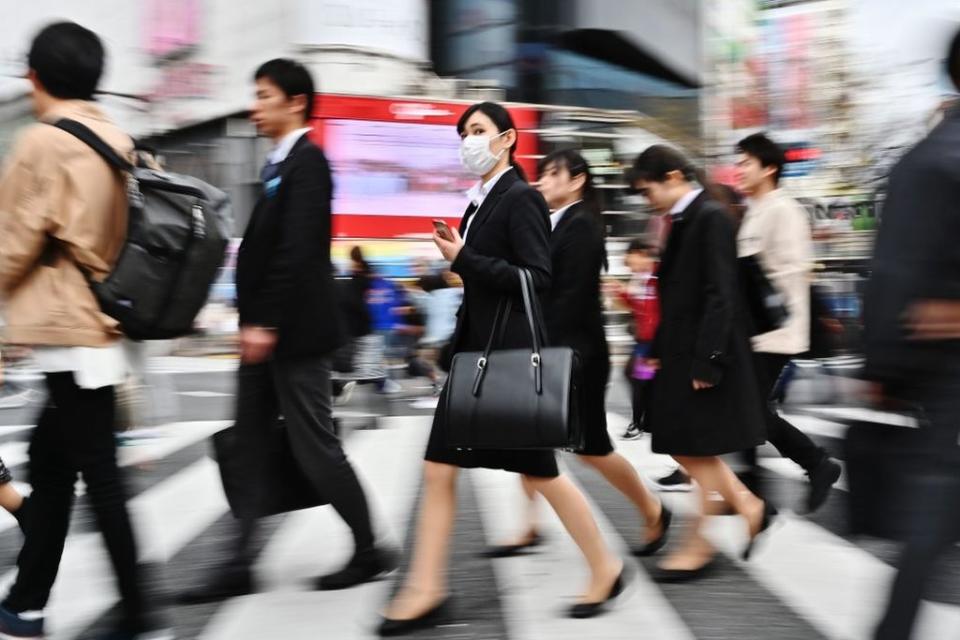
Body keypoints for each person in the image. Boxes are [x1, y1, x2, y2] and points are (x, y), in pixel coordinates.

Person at [378, 103, 630, 636]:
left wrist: (465, 260)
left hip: (509, 360)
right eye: (462, 133)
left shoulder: (521, 199)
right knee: (441, 469)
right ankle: (426, 586)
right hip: (478, 357)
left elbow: (536, 278)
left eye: (477, 131)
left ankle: (605, 567)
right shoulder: (477, 206)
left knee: (541, 472)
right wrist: (456, 274)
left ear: (507, 138)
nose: (467, 141)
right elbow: (482, 281)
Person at [181, 58, 395, 604]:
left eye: (264, 95)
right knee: (248, 445)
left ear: (295, 102)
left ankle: (369, 548)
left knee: (314, 447)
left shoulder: (309, 164)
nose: (254, 106)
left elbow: (299, 253)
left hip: (293, 337)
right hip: (264, 334)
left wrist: (267, 321)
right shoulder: (279, 165)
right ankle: (238, 565)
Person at [0, 22, 166, 640]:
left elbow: (12, 245)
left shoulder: (42, 144)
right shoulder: (116, 139)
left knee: (97, 476)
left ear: (36, 75)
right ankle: (27, 601)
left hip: (71, 330)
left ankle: (140, 615)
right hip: (100, 324)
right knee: (51, 462)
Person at [486, 149, 670, 559]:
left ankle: (653, 508)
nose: (542, 181)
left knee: (591, 448)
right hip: (553, 350)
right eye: (542, 173)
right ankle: (530, 524)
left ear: (578, 180)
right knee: (527, 440)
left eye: (553, 173)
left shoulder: (582, 225)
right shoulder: (554, 223)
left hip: (576, 356)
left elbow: (566, 299)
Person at [628, 145, 775, 581]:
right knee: (681, 442)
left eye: (647, 188)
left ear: (673, 176)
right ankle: (748, 506)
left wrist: (708, 361)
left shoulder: (708, 216)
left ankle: (701, 544)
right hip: (681, 351)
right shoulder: (685, 218)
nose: (646, 199)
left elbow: (720, 293)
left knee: (692, 444)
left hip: (702, 354)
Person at [862, 27, 960, 640]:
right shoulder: (936, 160)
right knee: (932, 499)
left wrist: (882, 367)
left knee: (933, 496)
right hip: (948, 367)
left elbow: (891, 270)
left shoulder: (926, 159)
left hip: (939, 366)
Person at [735, 133, 842, 511]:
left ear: (769, 168)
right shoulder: (757, 208)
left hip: (774, 331)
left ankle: (815, 463)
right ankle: (756, 485)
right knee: (749, 408)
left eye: (746, 162)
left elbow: (794, 271)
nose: (739, 170)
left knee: (749, 409)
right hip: (757, 330)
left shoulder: (782, 209)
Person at [607, 239, 661, 441]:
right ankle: (647, 421)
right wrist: (618, 291)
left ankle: (638, 423)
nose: (631, 266)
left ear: (641, 253)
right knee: (640, 379)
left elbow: (655, 311)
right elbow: (637, 305)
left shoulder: (657, 275)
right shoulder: (640, 277)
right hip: (644, 341)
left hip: (652, 342)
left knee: (638, 379)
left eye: (631, 261)